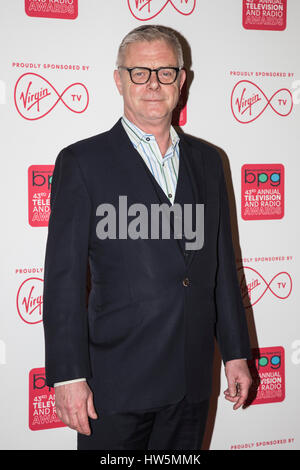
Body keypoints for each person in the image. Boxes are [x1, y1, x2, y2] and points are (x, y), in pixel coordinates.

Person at [43, 25, 252, 451]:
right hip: (115, 385)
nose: (153, 84)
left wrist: (234, 351)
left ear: (183, 80)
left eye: (166, 72)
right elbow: (62, 279)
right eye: (140, 72)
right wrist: (68, 375)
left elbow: (222, 271)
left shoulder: (209, 163)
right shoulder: (82, 162)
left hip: (191, 379)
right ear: (119, 79)